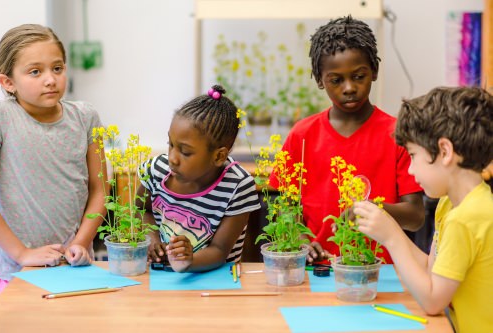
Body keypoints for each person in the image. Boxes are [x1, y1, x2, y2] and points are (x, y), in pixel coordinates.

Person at [269, 16, 424, 264]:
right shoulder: (302, 135)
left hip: (382, 272)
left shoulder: (399, 134)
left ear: (374, 71)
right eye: (336, 80)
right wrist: (300, 240)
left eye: (358, 76)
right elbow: (286, 207)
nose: (349, 87)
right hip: (317, 270)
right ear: (320, 80)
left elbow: (416, 216)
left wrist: (372, 210)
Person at [354, 86, 493, 332]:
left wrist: (392, 237)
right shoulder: (450, 204)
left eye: (413, 155)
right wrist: (388, 229)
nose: (410, 169)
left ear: (445, 151)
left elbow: (433, 301)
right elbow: (432, 268)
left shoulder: (467, 217)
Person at [0, 24, 107, 299]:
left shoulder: (86, 116)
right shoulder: (0, 117)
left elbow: (100, 188)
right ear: (8, 82)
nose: (50, 79)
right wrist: (21, 252)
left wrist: (81, 243)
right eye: (35, 71)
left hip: (76, 268)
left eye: (57, 68)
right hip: (17, 272)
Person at [138, 85, 261, 272]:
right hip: (162, 279)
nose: (172, 157)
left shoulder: (237, 186)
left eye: (185, 152)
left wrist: (189, 260)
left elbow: (219, 251)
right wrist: (153, 241)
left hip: (217, 284)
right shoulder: (156, 169)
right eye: (170, 144)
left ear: (219, 156)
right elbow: (141, 209)